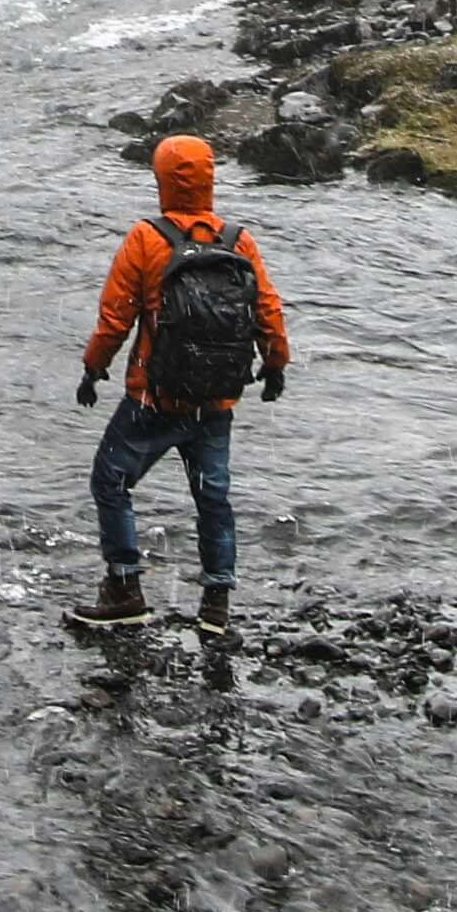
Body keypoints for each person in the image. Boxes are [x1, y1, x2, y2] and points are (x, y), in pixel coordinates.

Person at [72, 132, 291, 629]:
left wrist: (93, 368)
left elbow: (115, 318)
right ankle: (216, 602)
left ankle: (124, 587)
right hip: (216, 399)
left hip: (155, 395)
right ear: (210, 179)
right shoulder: (238, 240)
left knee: (111, 479)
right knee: (212, 496)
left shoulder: (147, 238)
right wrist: (275, 366)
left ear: (162, 180)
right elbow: (268, 312)